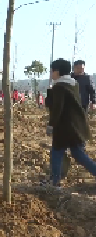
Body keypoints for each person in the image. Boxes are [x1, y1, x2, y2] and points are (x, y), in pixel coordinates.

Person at [46, 58, 96, 189]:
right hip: (77, 126)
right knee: (79, 154)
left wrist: (51, 125)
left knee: (56, 152)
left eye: (52, 71)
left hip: (64, 127)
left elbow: (56, 108)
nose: (51, 73)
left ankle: (55, 183)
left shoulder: (59, 87)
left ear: (57, 72)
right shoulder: (73, 84)